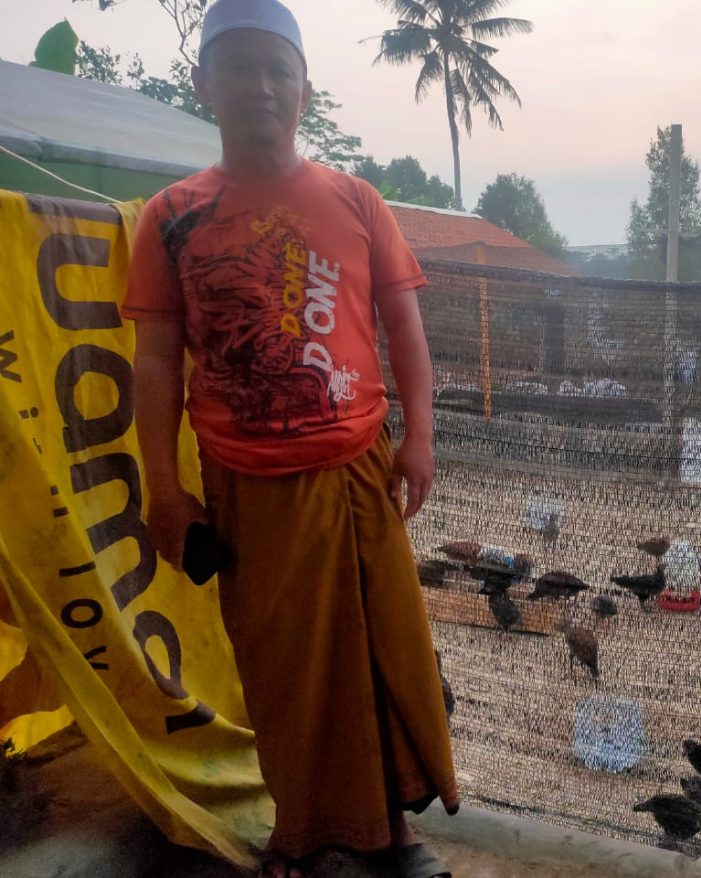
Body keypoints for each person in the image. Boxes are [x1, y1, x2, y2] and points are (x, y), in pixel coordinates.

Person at [122, 1, 457, 876]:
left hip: (359, 474)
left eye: (278, 69)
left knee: (385, 661)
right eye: (239, 67)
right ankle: (300, 835)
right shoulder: (171, 217)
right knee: (283, 673)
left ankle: (393, 836)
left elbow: (405, 331)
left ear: (305, 88)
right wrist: (164, 487)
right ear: (206, 84)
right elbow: (154, 365)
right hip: (245, 485)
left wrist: (418, 439)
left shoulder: (356, 201)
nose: (261, 86)